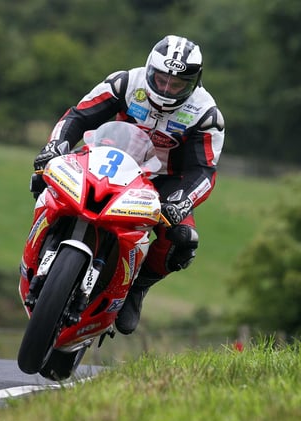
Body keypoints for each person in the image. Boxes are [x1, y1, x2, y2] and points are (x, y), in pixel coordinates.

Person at [31, 35, 225, 335]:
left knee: (182, 238)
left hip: (162, 181)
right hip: (106, 158)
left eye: (178, 84)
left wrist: (182, 201)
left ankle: (137, 287)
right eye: (161, 80)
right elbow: (78, 116)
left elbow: (204, 170)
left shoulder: (206, 114)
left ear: (195, 82)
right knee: (44, 176)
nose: (167, 89)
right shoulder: (124, 83)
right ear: (149, 70)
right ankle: (39, 247)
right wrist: (56, 145)